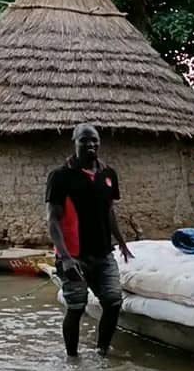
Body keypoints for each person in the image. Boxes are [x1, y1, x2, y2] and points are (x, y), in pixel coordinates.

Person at [45, 123, 134, 358]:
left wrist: (122, 242)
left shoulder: (108, 174)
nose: (91, 144)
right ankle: (72, 359)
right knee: (76, 307)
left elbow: (109, 210)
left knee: (113, 302)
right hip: (73, 256)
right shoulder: (60, 177)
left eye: (94, 140)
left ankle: (102, 351)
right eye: (84, 140)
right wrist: (64, 258)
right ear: (74, 143)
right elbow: (53, 220)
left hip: (103, 252)